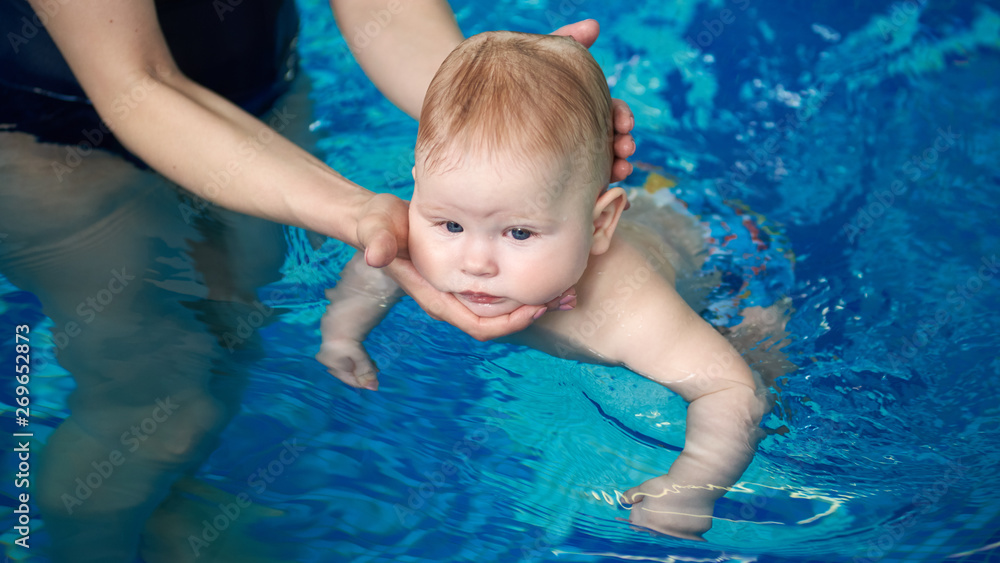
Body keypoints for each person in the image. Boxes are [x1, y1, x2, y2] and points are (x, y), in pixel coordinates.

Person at [0, 1, 635, 561]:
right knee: (156, 402)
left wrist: (511, 111)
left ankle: (162, 511)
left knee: (231, 338)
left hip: (260, 103)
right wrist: (358, 211)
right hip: (51, 141)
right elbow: (135, 80)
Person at [318, 30, 787, 540]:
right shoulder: (422, 238)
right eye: (450, 225)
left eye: (519, 233)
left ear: (600, 225)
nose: (474, 262)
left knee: (764, 356)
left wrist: (691, 486)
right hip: (580, 195)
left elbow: (731, 391)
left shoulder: (625, 306)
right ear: (416, 190)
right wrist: (343, 332)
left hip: (710, 238)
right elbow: (375, 264)